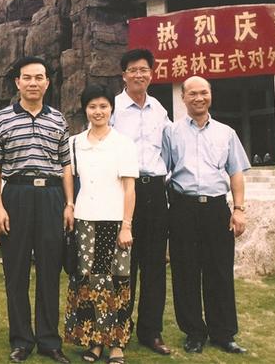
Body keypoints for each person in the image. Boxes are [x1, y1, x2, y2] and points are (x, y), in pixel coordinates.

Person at [0, 56, 74, 364]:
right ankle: (21, 340)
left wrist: (69, 203)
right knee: (16, 271)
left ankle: (49, 340)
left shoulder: (58, 119)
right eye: (27, 78)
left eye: (39, 77)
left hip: (51, 196)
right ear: (17, 82)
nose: (33, 83)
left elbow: (66, 165)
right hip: (16, 195)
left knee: (50, 270)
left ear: (47, 82)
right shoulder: (1, 119)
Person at [165, 76, 250, 355]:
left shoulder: (226, 133)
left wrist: (238, 209)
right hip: (183, 208)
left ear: (210, 95)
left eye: (204, 92)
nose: (199, 98)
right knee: (185, 271)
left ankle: (223, 333)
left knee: (219, 271)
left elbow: (235, 173)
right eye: (192, 94)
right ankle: (194, 332)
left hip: (216, 209)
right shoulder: (171, 132)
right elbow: (162, 170)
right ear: (183, 98)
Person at [64, 84, 137, 364]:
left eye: (103, 106)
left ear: (111, 109)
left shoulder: (123, 143)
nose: (98, 111)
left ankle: (116, 344)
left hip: (114, 221)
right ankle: (93, 341)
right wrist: (70, 204)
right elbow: (68, 176)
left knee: (116, 280)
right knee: (87, 280)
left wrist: (127, 225)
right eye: (92, 106)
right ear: (85, 109)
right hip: (85, 220)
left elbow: (129, 188)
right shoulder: (75, 143)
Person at [109, 49, 172, 356]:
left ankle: (151, 331)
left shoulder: (159, 109)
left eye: (144, 69)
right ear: (124, 76)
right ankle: (119, 330)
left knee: (154, 264)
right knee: (124, 265)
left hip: (155, 191)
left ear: (151, 74)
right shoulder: (112, 108)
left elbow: (168, 151)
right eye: (133, 70)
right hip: (124, 190)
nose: (139, 74)